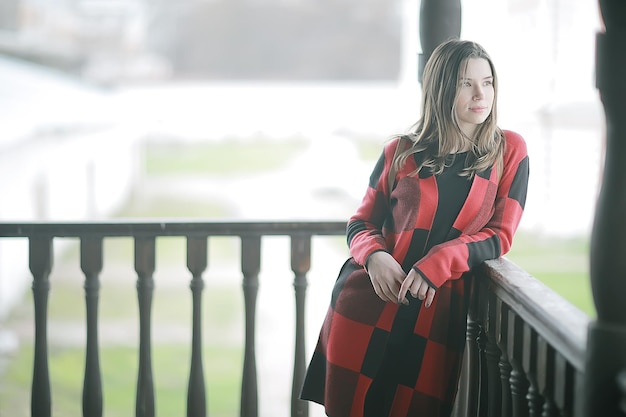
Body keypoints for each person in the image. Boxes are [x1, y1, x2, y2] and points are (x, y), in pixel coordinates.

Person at [300, 38, 530, 417]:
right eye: (465, 83)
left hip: (433, 317)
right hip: (365, 303)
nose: (480, 94)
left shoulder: (508, 150)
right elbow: (361, 222)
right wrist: (374, 256)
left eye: (487, 82)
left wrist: (439, 261)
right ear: (442, 88)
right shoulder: (402, 151)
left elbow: (499, 236)